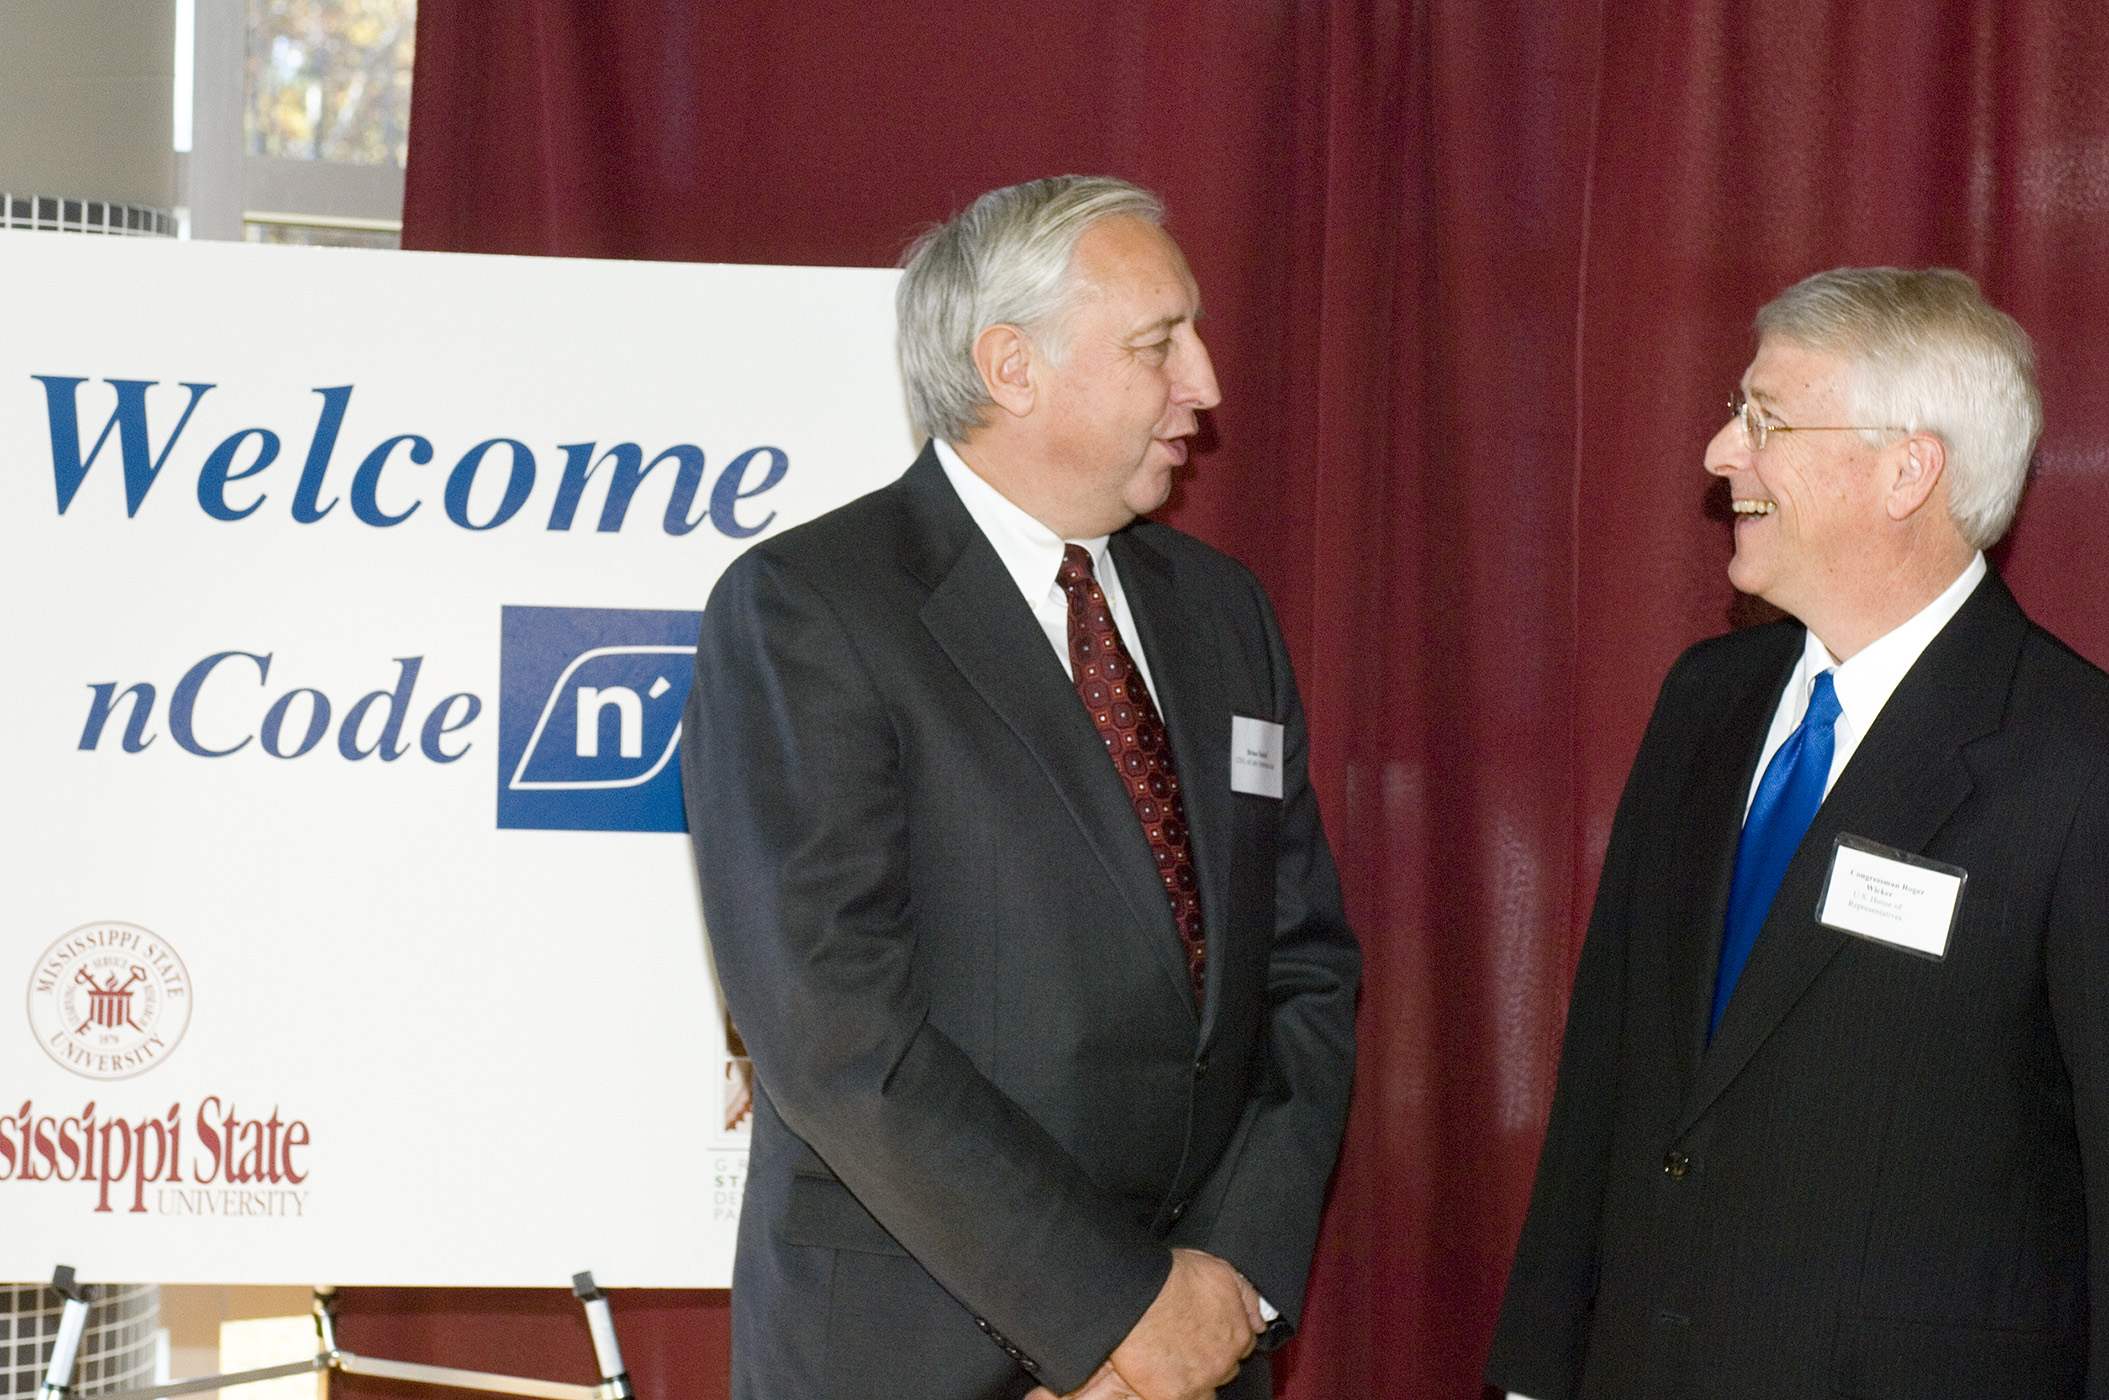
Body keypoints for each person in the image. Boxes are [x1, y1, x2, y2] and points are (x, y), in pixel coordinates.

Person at [682, 176, 1360, 1400]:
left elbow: (1303, 971)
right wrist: (1116, 1312)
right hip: (921, 1353)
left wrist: (1226, 1285)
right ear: (1012, 365)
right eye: (1160, 343)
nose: (1205, 380)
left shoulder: (1225, 614)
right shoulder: (810, 609)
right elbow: (837, 1034)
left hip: (1203, 1350)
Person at [1486, 266, 2109, 1399]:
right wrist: (1536, 1370)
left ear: (1907, 469)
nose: (1723, 452)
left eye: (1765, 419)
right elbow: (1610, 1070)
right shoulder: (1705, 699)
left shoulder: (2076, 758)